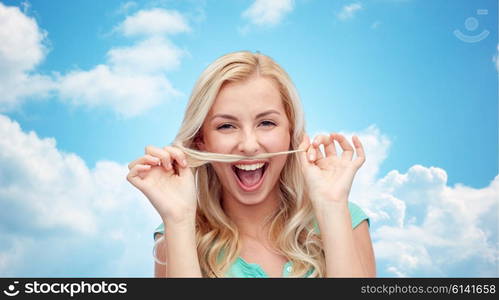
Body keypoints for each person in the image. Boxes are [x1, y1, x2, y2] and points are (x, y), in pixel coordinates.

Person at [127, 50, 376, 278]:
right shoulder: (174, 233)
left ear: (292, 132)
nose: (248, 145)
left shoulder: (346, 218)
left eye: (266, 123)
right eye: (226, 126)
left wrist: (332, 207)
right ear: (201, 141)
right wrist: (179, 220)